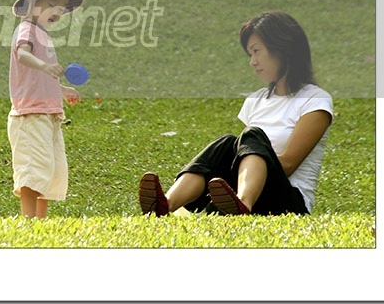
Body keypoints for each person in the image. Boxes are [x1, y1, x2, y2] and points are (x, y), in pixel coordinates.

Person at [139, 11, 333, 216]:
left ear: (282, 48)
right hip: (254, 194)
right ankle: (165, 205)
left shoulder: (315, 100)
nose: (253, 62)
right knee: (226, 143)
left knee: (252, 136)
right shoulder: (256, 100)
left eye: (256, 51)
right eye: (250, 54)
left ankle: (243, 204)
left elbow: (288, 165)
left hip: (288, 203)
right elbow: (242, 160)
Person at [7, 0, 84, 218]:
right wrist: (45, 65)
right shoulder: (27, 30)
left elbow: (39, 79)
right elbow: (23, 55)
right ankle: (28, 220)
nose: (57, 12)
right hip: (30, 114)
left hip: (48, 113)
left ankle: (41, 220)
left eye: (61, 8)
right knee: (33, 168)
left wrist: (61, 90)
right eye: (51, 4)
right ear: (31, 3)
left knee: (50, 169)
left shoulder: (42, 35)